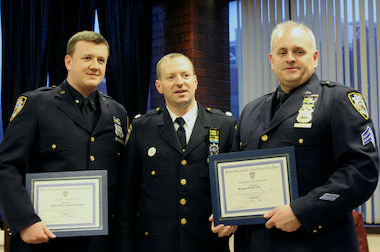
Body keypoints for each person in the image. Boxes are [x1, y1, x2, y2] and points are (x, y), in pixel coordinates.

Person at [213, 21, 379, 251]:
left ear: (315, 57)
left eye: (298, 51)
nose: (290, 58)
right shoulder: (251, 110)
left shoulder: (339, 100)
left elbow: (362, 171)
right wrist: (228, 215)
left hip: (316, 243)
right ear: (272, 61)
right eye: (282, 52)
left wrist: (302, 211)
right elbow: (234, 175)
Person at [0, 31, 128, 252]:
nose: (95, 66)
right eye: (87, 58)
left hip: (101, 243)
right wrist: (25, 221)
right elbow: (7, 166)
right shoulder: (36, 104)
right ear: (68, 61)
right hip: (45, 239)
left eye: (101, 60)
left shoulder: (117, 112)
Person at [119, 53, 237, 252]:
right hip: (155, 244)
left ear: (195, 81)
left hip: (207, 243)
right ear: (159, 86)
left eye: (185, 75)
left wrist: (233, 216)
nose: (180, 82)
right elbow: (127, 198)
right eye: (171, 77)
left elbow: (236, 187)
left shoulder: (224, 126)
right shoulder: (142, 128)